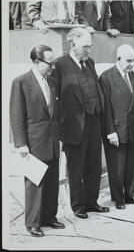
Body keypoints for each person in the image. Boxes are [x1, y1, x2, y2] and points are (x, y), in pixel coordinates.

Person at [10, 45, 65, 237]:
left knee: (52, 181)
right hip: (33, 142)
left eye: (54, 63)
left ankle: (49, 216)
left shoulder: (52, 82)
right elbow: (16, 115)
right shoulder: (21, 82)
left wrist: (60, 138)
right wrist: (21, 143)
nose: (53, 67)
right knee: (35, 184)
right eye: (49, 63)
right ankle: (32, 222)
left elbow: (55, 114)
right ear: (35, 61)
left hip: (52, 141)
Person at [53, 28, 109, 219]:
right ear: (72, 44)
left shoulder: (90, 63)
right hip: (74, 127)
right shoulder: (59, 65)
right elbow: (54, 99)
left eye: (90, 47)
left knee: (94, 165)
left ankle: (92, 202)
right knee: (76, 168)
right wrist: (60, 128)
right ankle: (78, 205)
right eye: (85, 47)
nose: (88, 51)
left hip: (94, 122)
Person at [99, 44, 134, 210]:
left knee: (131, 164)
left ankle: (132, 194)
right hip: (116, 129)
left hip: (130, 127)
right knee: (117, 166)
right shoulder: (106, 78)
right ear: (118, 59)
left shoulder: (132, 75)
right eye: (129, 60)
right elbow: (105, 108)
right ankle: (118, 198)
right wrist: (111, 132)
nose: (132, 64)